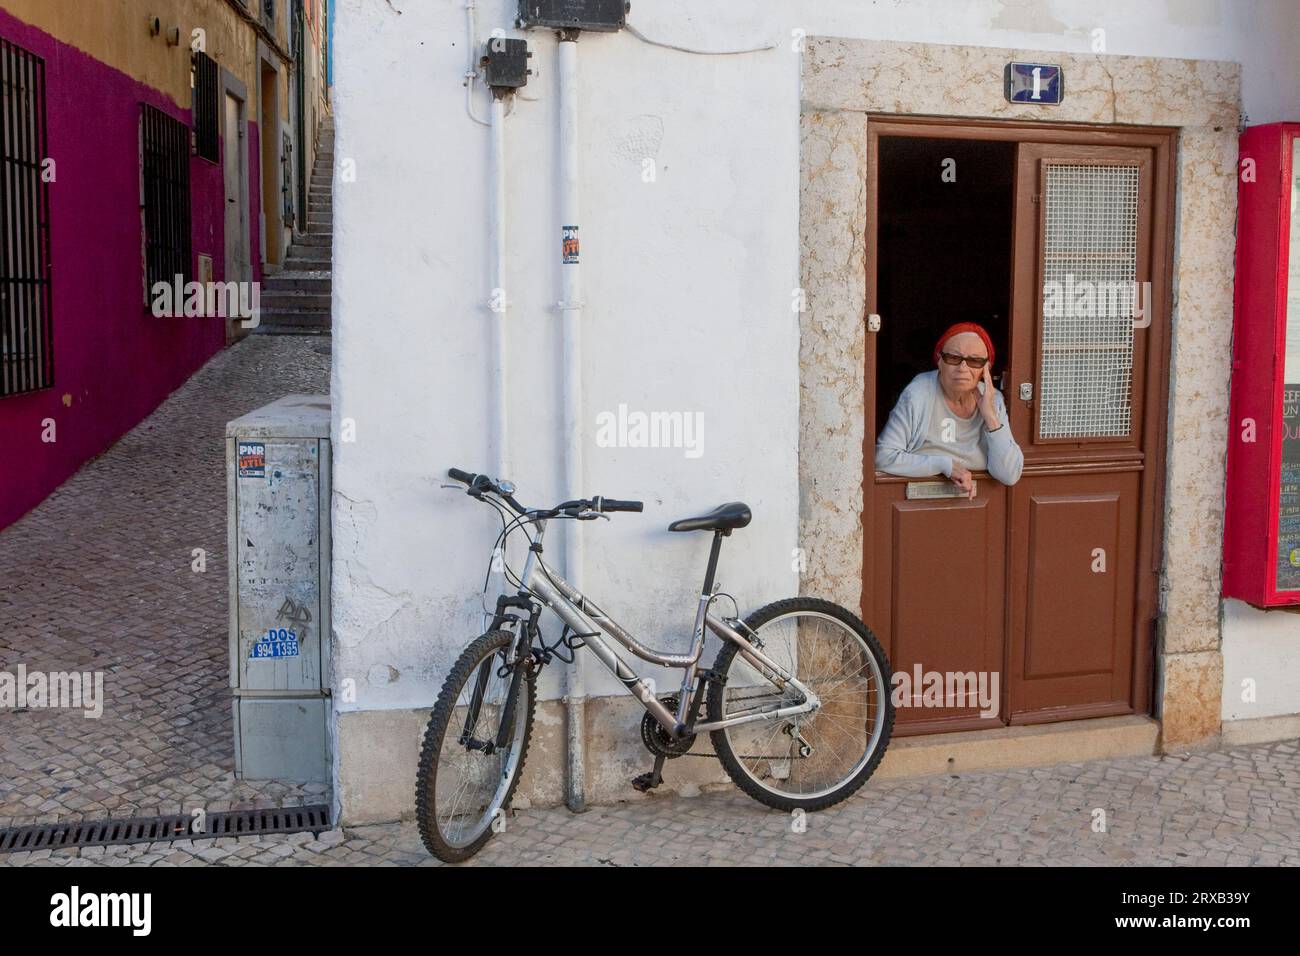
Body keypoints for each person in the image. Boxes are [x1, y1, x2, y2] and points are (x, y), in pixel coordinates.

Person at [874, 322, 1023, 498]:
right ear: (939, 361)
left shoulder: (993, 399)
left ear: (987, 369)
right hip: (921, 501)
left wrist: (990, 417)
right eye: (953, 358)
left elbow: (1009, 474)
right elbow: (883, 457)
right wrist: (945, 465)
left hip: (979, 504)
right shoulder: (918, 394)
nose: (963, 368)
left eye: (975, 361)